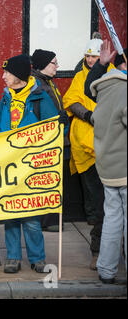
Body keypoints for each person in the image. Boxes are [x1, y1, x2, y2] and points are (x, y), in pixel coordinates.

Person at [0, 54, 61, 274]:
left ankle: (37, 258)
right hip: (7, 166)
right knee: (10, 212)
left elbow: (56, 128)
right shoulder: (6, 99)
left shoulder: (40, 97)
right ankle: (13, 257)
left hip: (31, 167)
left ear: (18, 75)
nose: (3, 76)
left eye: (7, 73)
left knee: (31, 216)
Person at [62, 36, 115, 270]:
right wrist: (88, 116)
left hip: (112, 150)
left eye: (94, 56)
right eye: (88, 56)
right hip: (88, 150)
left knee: (111, 206)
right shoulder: (80, 77)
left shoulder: (115, 76)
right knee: (100, 203)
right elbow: (72, 101)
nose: (91, 60)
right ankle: (99, 251)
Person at [87, 43, 127, 284]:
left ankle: (106, 269)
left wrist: (101, 64)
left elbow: (86, 88)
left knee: (112, 219)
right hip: (125, 165)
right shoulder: (124, 91)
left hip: (107, 167)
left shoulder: (103, 90)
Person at [30, 49, 70, 232]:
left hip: (57, 138)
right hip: (46, 141)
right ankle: (47, 220)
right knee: (46, 179)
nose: (57, 66)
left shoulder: (48, 83)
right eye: (54, 62)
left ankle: (51, 219)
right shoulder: (37, 85)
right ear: (44, 65)